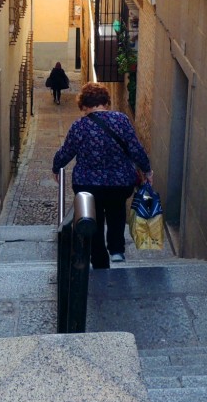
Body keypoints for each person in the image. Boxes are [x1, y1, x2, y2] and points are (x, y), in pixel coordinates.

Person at [52, 83, 151, 268]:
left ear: (84, 105)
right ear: (106, 102)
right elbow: (135, 148)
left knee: (92, 218)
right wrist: (147, 170)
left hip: (88, 185)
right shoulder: (121, 120)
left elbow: (66, 152)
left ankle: (98, 259)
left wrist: (56, 167)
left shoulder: (79, 126)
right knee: (117, 211)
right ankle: (116, 250)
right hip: (120, 183)